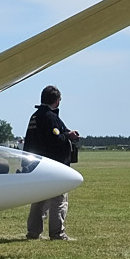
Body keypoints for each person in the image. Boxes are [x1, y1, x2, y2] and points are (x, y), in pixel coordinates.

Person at [22, 85, 80, 241]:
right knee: (59, 200)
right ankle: (57, 233)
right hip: (54, 166)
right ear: (57, 101)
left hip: (38, 165)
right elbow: (54, 139)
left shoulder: (35, 116)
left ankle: (33, 232)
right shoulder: (50, 117)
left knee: (39, 199)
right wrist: (68, 136)